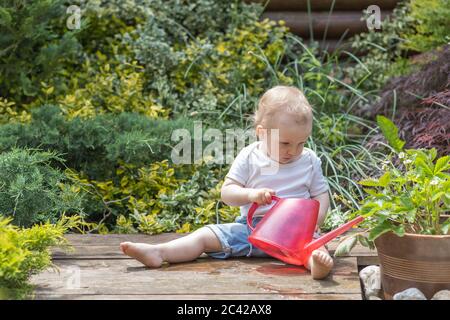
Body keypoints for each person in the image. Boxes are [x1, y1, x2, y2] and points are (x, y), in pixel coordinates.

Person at [120, 85, 334, 279]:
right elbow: (228, 192)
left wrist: (317, 220)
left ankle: (316, 265)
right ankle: (159, 252)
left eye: (301, 143)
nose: (293, 151)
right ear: (261, 133)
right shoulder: (250, 156)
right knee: (205, 236)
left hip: (295, 233)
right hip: (252, 231)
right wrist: (251, 195)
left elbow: (320, 194)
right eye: (285, 143)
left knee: (315, 247)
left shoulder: (309, 160)